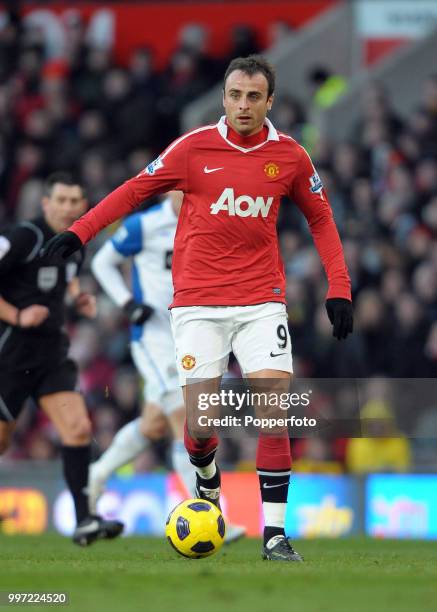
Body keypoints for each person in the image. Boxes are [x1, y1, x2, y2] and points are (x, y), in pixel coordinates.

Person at [43, 55, 353, 561]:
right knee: (200, 423)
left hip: (262, 301)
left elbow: (321, 218)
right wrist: (80, 233)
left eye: (254, 97)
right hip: (198, 305)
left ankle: (274, 535)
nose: (243, 105)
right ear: (224, 98)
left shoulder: (290, 156)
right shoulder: (193, 148)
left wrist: (338, 287)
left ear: (269, 101)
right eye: (235, 95)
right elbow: (132, 192)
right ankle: (207, 484)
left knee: (274, 410)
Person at [88, 190, 245, 543]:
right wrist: (128, 304)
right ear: (168, 189)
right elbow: (102, 263)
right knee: (185, 417)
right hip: (154, 337)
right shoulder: (145, 225)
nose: (188, 196)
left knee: (154, 423)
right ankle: (209, 513)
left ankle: (95, 475)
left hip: (192, 334)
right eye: (182, 189)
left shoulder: (209, 222)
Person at [0, 172, 123, 546]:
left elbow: (66, 276)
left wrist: (77, 298)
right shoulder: (23, 238)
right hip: (9, 354)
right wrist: (17, 316)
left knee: (78, 430)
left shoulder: (76, 242)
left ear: (84, 206)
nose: (69, 207)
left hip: (51, 354)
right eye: (62, 200)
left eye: (75, 201)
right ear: (46, 203)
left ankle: (84, 521)